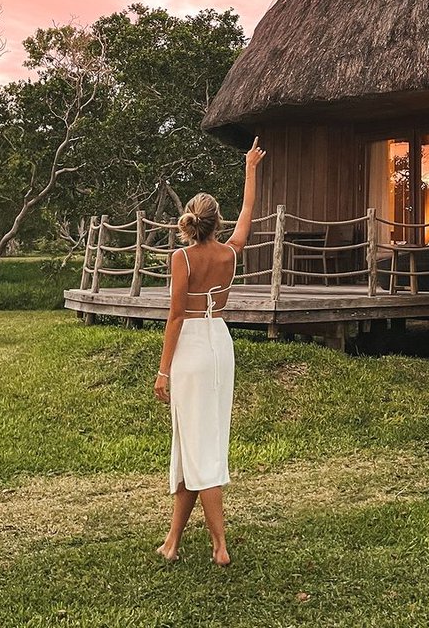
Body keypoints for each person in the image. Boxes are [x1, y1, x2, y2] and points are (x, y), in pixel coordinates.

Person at [154, 137, 266, 565]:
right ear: (216, 222)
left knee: (201, 448)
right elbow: (248, 216)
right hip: (221, 341)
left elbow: (176, 318)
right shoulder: (230, 253)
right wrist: (250, 169)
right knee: (195, 442)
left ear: (189, 223)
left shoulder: (182, 259)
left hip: (193, 350)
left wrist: (163, 371)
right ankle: (173, 541)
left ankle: (220, 546)